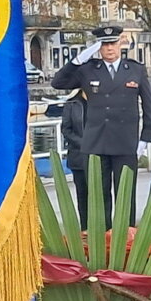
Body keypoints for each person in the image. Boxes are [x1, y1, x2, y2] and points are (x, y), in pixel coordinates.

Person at [51, 25, 151, 228]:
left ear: (120, 44)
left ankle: (126, 241)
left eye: (113, 43)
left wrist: (146, 138)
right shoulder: (88, 70)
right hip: (96, 142)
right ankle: (103, 241)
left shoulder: (135, 69)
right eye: (104, 44)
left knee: (125, 196)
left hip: (125, 142)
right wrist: (79, 59)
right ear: (99, 47)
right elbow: (58, 82)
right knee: (99, 197)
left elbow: (149, 106)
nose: (109, 49)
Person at [60, 89, 89, 222]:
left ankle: (104, 229)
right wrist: (82, 143)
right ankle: (85, 227)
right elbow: (66, 129)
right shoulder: (72, 103)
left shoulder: (101, 101)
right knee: (82, 194)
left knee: (101, 194)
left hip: (100, 153)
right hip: (78, 155)